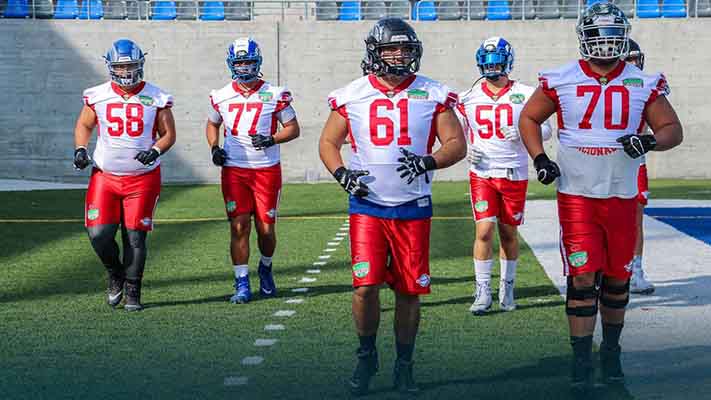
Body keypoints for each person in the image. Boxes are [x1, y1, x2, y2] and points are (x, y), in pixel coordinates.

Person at [518, 2, 682, 389]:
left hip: (622, 194)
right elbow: (529, 117)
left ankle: (610, 353)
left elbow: (672, 129)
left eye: (613, 35)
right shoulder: (560, 78)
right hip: (577, 194)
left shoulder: (645, 81)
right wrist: (539, 158)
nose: (606, 43)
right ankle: (580, 360)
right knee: (581, 275)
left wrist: (648, 140)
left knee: (616, 279)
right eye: (599, 35)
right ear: (584, 37)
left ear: (624, 37)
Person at [319, 18, 466, 396]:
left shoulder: (433, 93)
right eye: (390, 49)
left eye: (404, 49)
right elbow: (328, 142)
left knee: (408, 291)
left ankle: (405, 363)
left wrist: (429, 161)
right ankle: (366, 355)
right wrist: (341, 174)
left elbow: (455, 143)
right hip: (368, 204)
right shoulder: (351, 94)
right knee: (365, 287)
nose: (399, 55)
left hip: (413, 205)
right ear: (375, 53)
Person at [73, 39, 176, 311]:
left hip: (142, 178)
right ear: (111, 67)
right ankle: (115, 272)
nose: (126, 71)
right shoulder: (97, 94)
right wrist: (81, 149)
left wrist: (155, 150)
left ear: (140, 64)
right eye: (121, 66)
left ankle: (133, 291)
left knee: (135, 237)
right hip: (105, 176)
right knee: (98, 234)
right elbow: (85, 124)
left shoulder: (156, 96)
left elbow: (168, 135)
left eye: (131, 65)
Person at [457, 37, 552, 315]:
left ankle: (506, 287)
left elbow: (546, 130)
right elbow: (456, 132)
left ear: (508, 62)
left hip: (514, 171)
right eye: (488, 63)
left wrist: (523, 136)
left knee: (508, 232)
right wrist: (467, 149)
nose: (492, 67)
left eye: (497, 62)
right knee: (484, 230)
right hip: (482, 172)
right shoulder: (468, 97)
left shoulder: (525, 93)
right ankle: (483, 290)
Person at [206, 37, 300, 304]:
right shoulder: (221, 94)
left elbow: (293, 129)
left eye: (248, 62)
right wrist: (214, 147)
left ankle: (266, 267)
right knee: (239, 226)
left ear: (257, 62)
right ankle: (242, 283)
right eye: (239, 62)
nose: (244, 67)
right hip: (235, 169)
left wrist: (272, 139)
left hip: (266, 170)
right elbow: (212, 125)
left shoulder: (274, 93)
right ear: (231, 64)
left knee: (266, 229)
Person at [625, 39, 655, 295]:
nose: (635, 63)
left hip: (635, 163)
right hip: (603, 163)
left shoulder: (646, 86)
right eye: (630, 58)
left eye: (636, 58)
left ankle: (636, 271)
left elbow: (663, 126)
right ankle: (603, 271)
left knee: (635, 219)